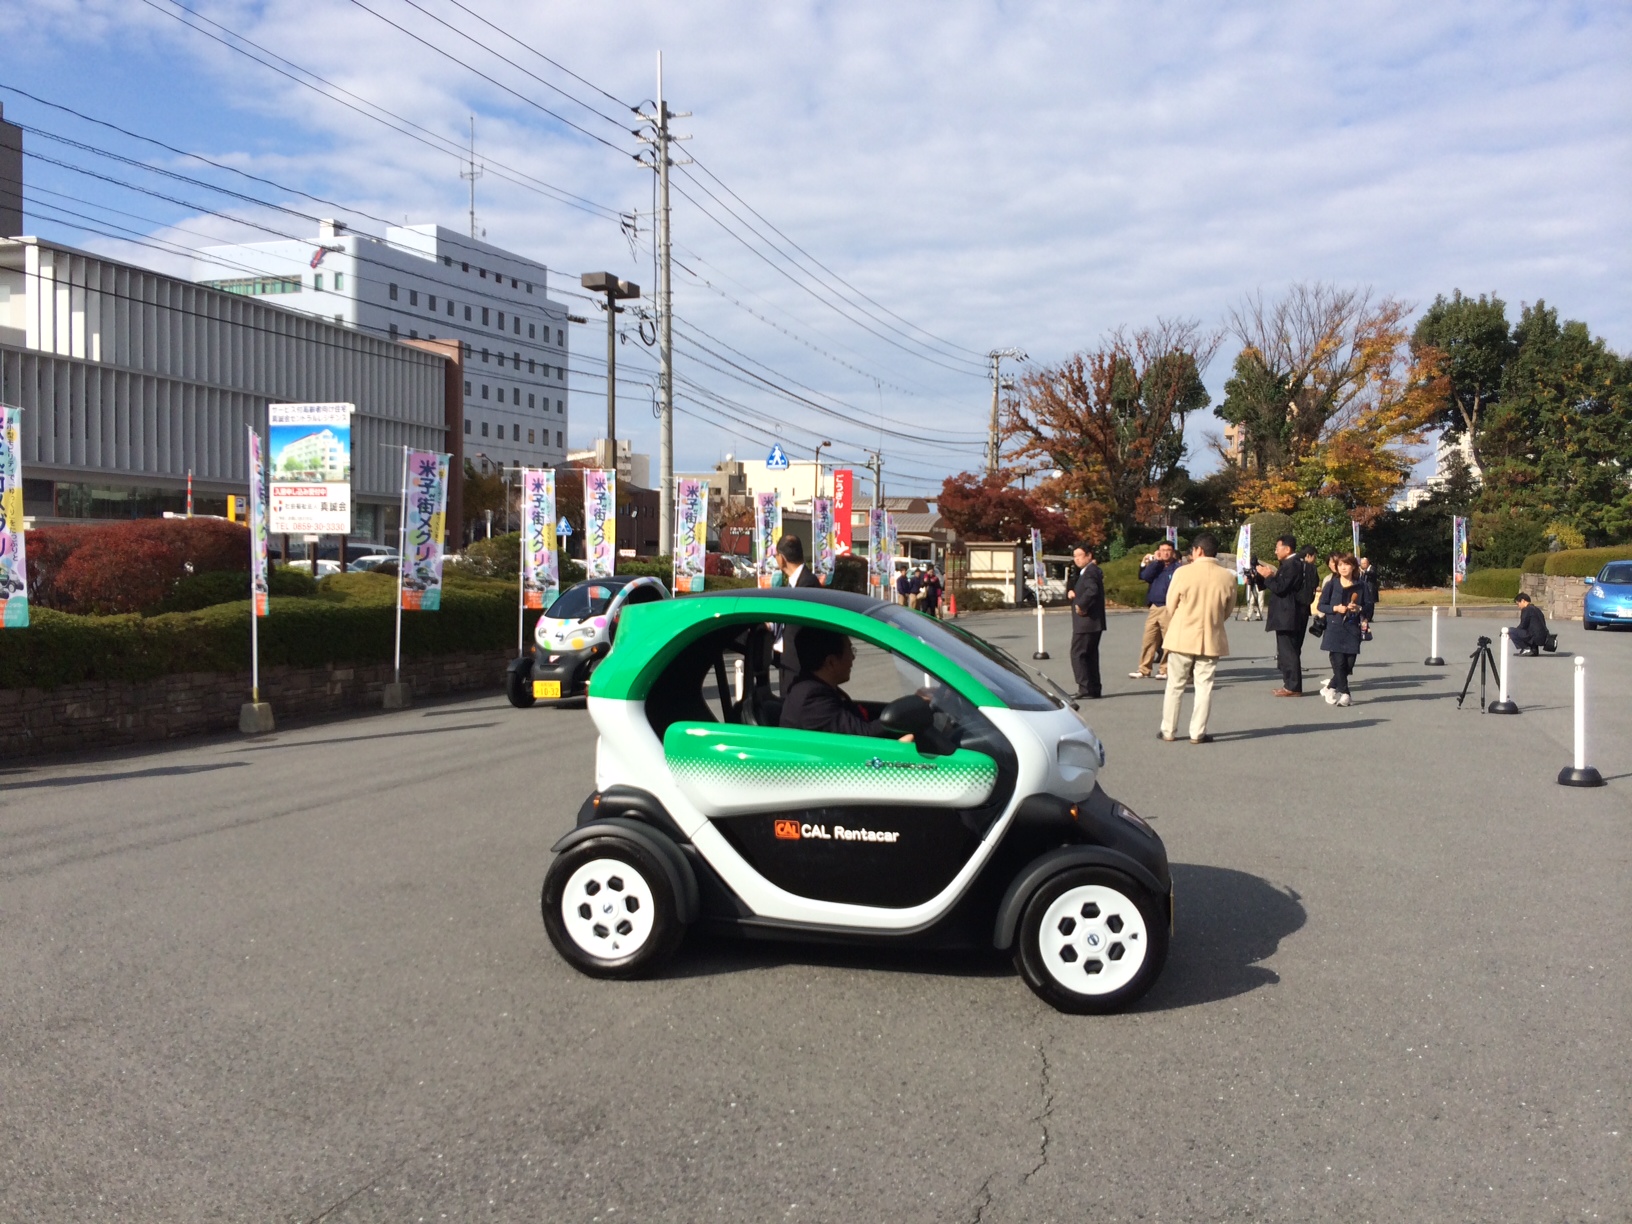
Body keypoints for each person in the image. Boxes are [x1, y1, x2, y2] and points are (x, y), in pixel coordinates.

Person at [1158, 534, 1236, 744]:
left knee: (1175, 685)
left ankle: (1168, 730)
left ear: (1198, 550)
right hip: (1211, 636)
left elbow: (1170, 604)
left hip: (1182, 635)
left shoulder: (1182, 572)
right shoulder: (1228, 576)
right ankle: (1197, 732)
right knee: (1204, 686)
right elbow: (1228, 610)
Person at [779, 627, 913, 739]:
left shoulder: (819, 687)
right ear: (831, 662)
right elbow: (862, 735)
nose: (853, 657)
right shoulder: (812, 698)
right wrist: (907, 712)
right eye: (850, 650)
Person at [1318, 553, 1375, 707]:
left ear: (1353, 566)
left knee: (1349, 664)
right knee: (1339, 662)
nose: (1343, 568)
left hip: (1352, 628)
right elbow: (1321, 605)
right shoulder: (1332, 584)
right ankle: (1345, 694)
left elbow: (1369, 607)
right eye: (1340, 565)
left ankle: (1330, 687)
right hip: (1334, 628)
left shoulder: (1361, 585)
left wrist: (1359, 608)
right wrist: (1336, 608)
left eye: (1346, 564)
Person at [1255, 534, 1309, 697]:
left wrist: (1269, 576)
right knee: (1286, 651)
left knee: (1289, 652)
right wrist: (1261, 577)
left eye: (1277, 548)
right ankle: (1289, 684)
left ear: (1287, 549)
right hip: (1287, 614)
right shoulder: (1288, 564)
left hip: (1289, 614)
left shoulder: (1292, 564)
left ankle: (1293, 687)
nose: (1275, 551)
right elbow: (1277, 584)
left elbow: (1281, 587)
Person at [772, 534, 821, 692]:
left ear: (782, 558)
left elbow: (797, 630)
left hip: (800, 670)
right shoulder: (794, 585)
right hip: (789, 666)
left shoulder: (807, 586)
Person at [1131, 541, 1179, 679]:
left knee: (1168, 640)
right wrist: (1156, 562)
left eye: (1168, 550)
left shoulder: (1177, 568)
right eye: (1162, 550)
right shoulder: (1156, 566)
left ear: (1173, 552)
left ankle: (1165, 669)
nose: (1165, 553)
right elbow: (1145, 576)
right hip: (1154, 607)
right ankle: (1144, 669)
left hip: (1168, 607)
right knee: (1149, 639)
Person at [1067, 543, 1105, 699]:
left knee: (1078, 653)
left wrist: (1081, 605)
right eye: (1074, 556)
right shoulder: (1089, 571)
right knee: (1090, 655)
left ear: (1089, 556)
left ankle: (1084, 687)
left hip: (1086, 621)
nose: (1076, 559)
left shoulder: (1089, 572)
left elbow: (1092, 590)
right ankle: (1094, 688)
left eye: (1079, 556)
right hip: (1094, 622)